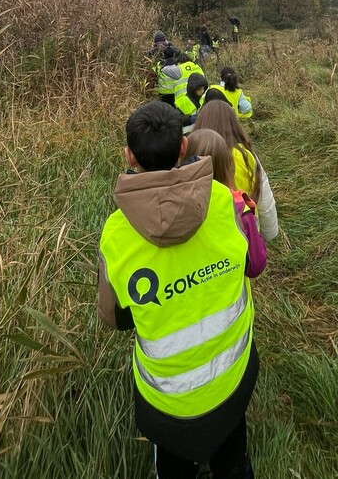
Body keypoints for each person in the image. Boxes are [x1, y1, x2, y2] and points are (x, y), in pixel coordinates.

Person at [98, 101, 261, 478]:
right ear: (184, 148)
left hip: (165, 403)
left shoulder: (115, 234)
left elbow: (116, 318)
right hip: (234, 381)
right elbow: (246, 266)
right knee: (234, 463)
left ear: (129, 156)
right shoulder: (225, 202)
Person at [186, 129, 266, 277]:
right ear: (228, 164)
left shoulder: (174, 207)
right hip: (231, 287)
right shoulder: (240, 206)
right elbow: (256, 265)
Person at [194, 101, 279, 242]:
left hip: (203, 239)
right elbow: (265, 201)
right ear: (234, 124)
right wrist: (268, 234)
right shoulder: (247, 156)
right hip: (244, 233)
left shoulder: (192, 156)